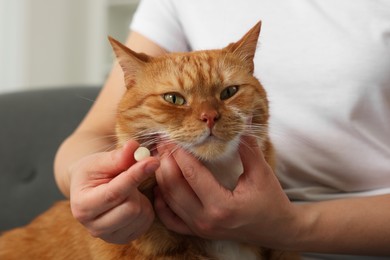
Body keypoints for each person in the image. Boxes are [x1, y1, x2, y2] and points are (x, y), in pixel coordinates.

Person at [54, 0, 390, 259]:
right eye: (175, 98)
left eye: (228, 93)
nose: (208, 115)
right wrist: (84, 180)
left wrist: (291, 227)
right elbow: (91, 136)